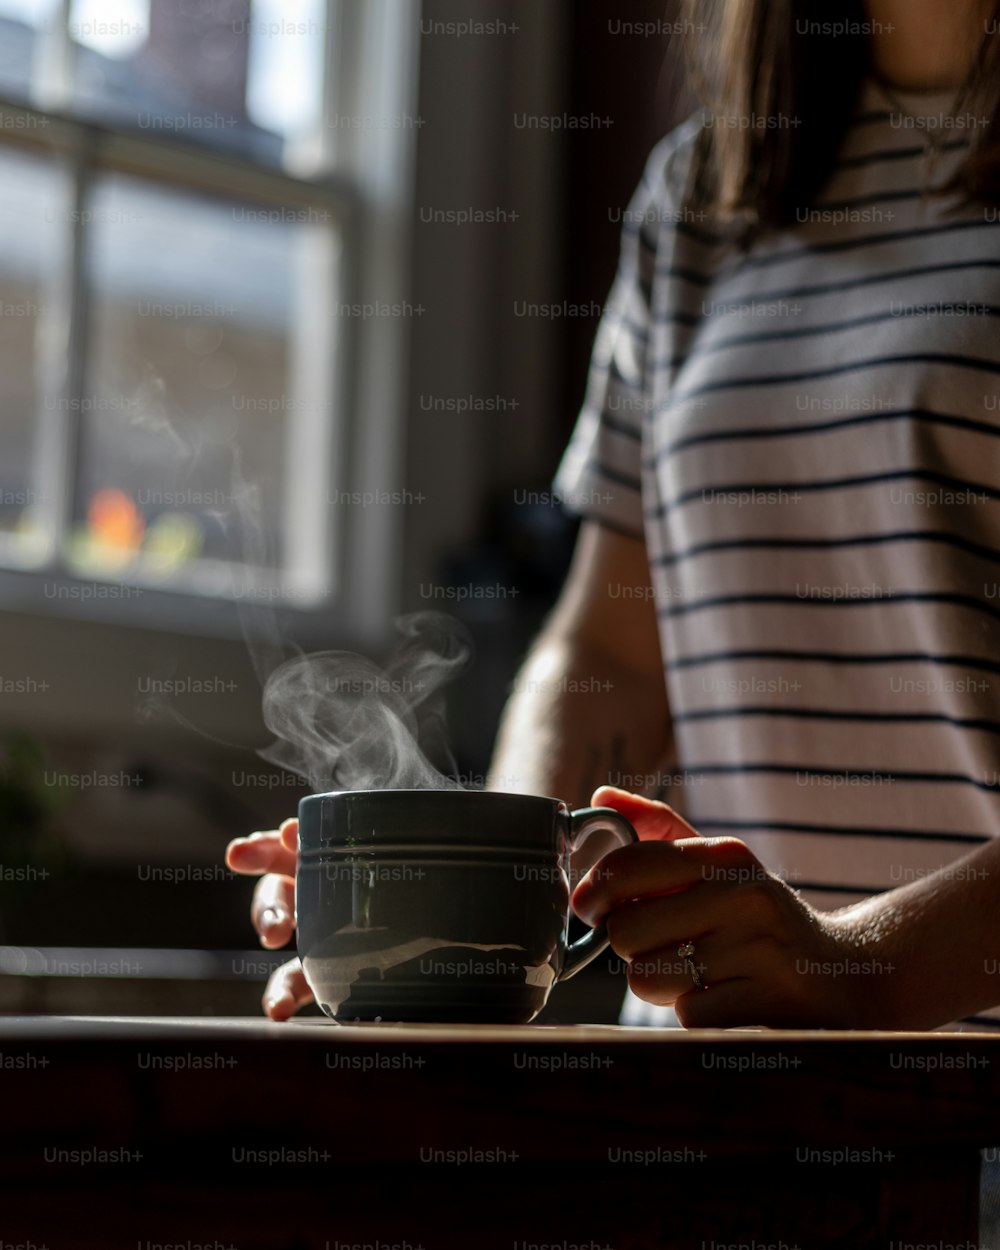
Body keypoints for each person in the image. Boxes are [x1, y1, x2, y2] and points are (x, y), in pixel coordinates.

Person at [226, 0, 1000, 1032]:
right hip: (704, 1086)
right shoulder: (706, 189)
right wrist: (477, 882)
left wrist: (860, 965)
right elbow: (611, 648)